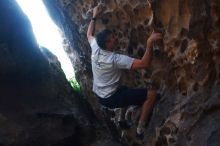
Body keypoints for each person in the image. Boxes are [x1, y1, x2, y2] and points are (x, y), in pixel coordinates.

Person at [87, 3, 162, 136]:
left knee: (123, 89)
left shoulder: (95, 47)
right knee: (152, 95)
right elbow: (144, 64)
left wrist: (94, 16)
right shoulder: (115, 59)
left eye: (113, 36)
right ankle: (141, 129)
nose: (115, 39)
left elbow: (89, 34)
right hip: (111, 98)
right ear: (106, 44)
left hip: (100, 95)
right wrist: (149, 43)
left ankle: (122, 119)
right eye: (112, 39)